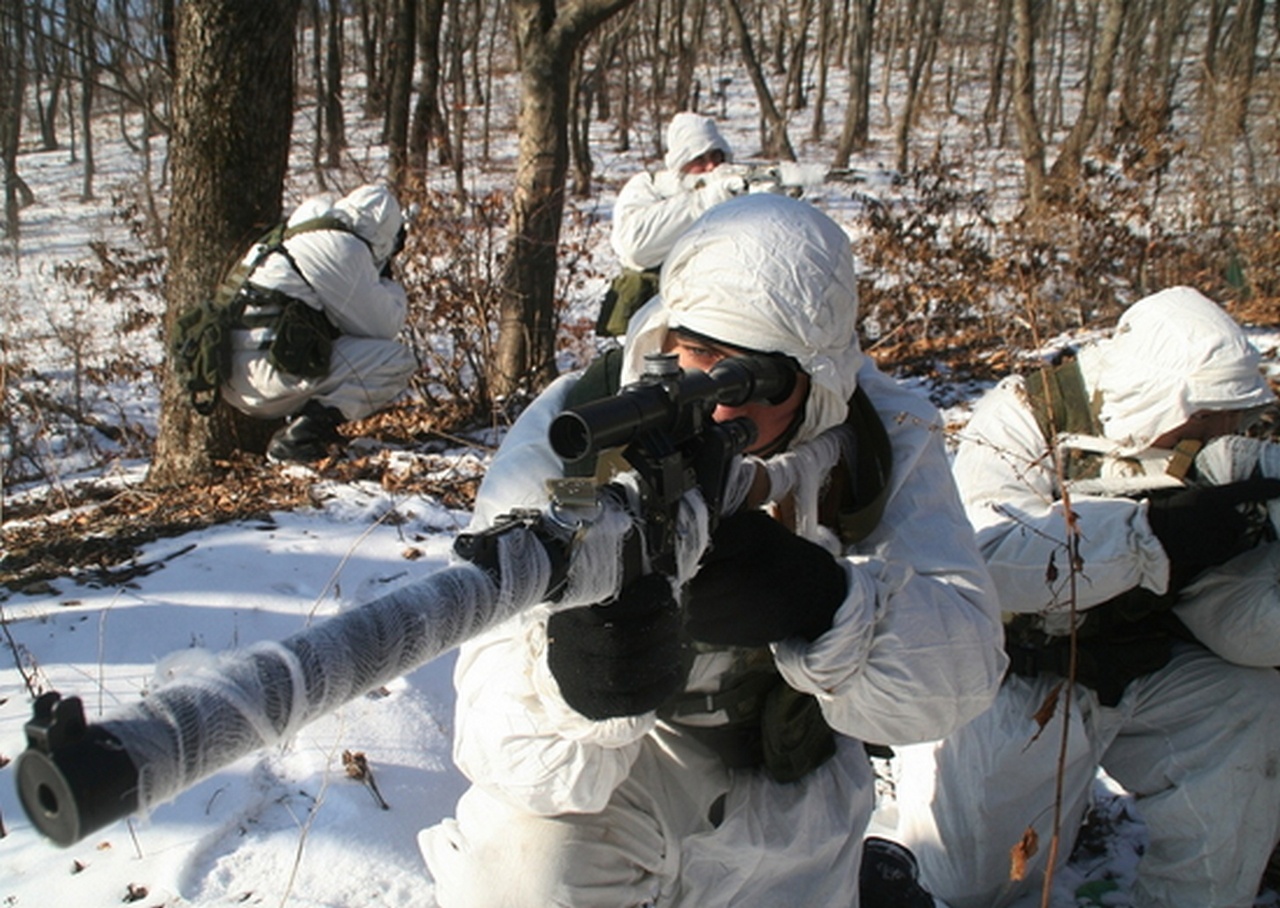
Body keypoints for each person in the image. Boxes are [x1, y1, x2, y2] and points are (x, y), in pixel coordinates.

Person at [419, 194, 1006, 907]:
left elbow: (967, 670)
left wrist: (824, 601)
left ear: (818, 380)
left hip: (791, 782)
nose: (722, 404)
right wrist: (583, 681)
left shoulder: (882, 436)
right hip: (618, 782)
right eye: (698, 353)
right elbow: (491, 731)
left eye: (759, 379)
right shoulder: (578, 425)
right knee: (515, 877)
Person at [885, 286, 1280, 908]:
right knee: (962, 884)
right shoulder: (1029, 414)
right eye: (1203, 418)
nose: (1216, 434)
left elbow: (1241, 615)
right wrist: (1149, 536)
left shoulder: (1228, 447)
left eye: (1227, 419)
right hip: (1018, 675)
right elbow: (985, 554)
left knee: (1248, 706)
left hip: (1146, 662)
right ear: (1160, 397)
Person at [220, 183, 418, 463]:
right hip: (267, 378)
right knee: (395, 360)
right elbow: (384, 326)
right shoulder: (342, 248)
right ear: (383, 234)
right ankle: (299, 438)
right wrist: (386, 280)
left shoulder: (295, 234)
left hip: (235, 376)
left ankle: (305, 429)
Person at [597, 112, 748, 337]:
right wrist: (704, 201)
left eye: (717, 157)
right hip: (650, 323)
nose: (711, 167)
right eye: (699, 159)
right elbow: (635, 248)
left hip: (715, 317)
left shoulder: (732, 192)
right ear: (681, 162)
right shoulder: (649, 187)